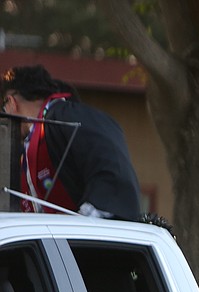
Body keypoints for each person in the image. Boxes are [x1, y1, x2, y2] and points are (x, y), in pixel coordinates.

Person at [1, 64, 141, 220]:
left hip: (94, 230)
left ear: (11, 102)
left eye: (3, 107)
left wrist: (88, 218)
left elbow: (111, 164)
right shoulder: (35, 137)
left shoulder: (68, 115)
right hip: (58, 237)